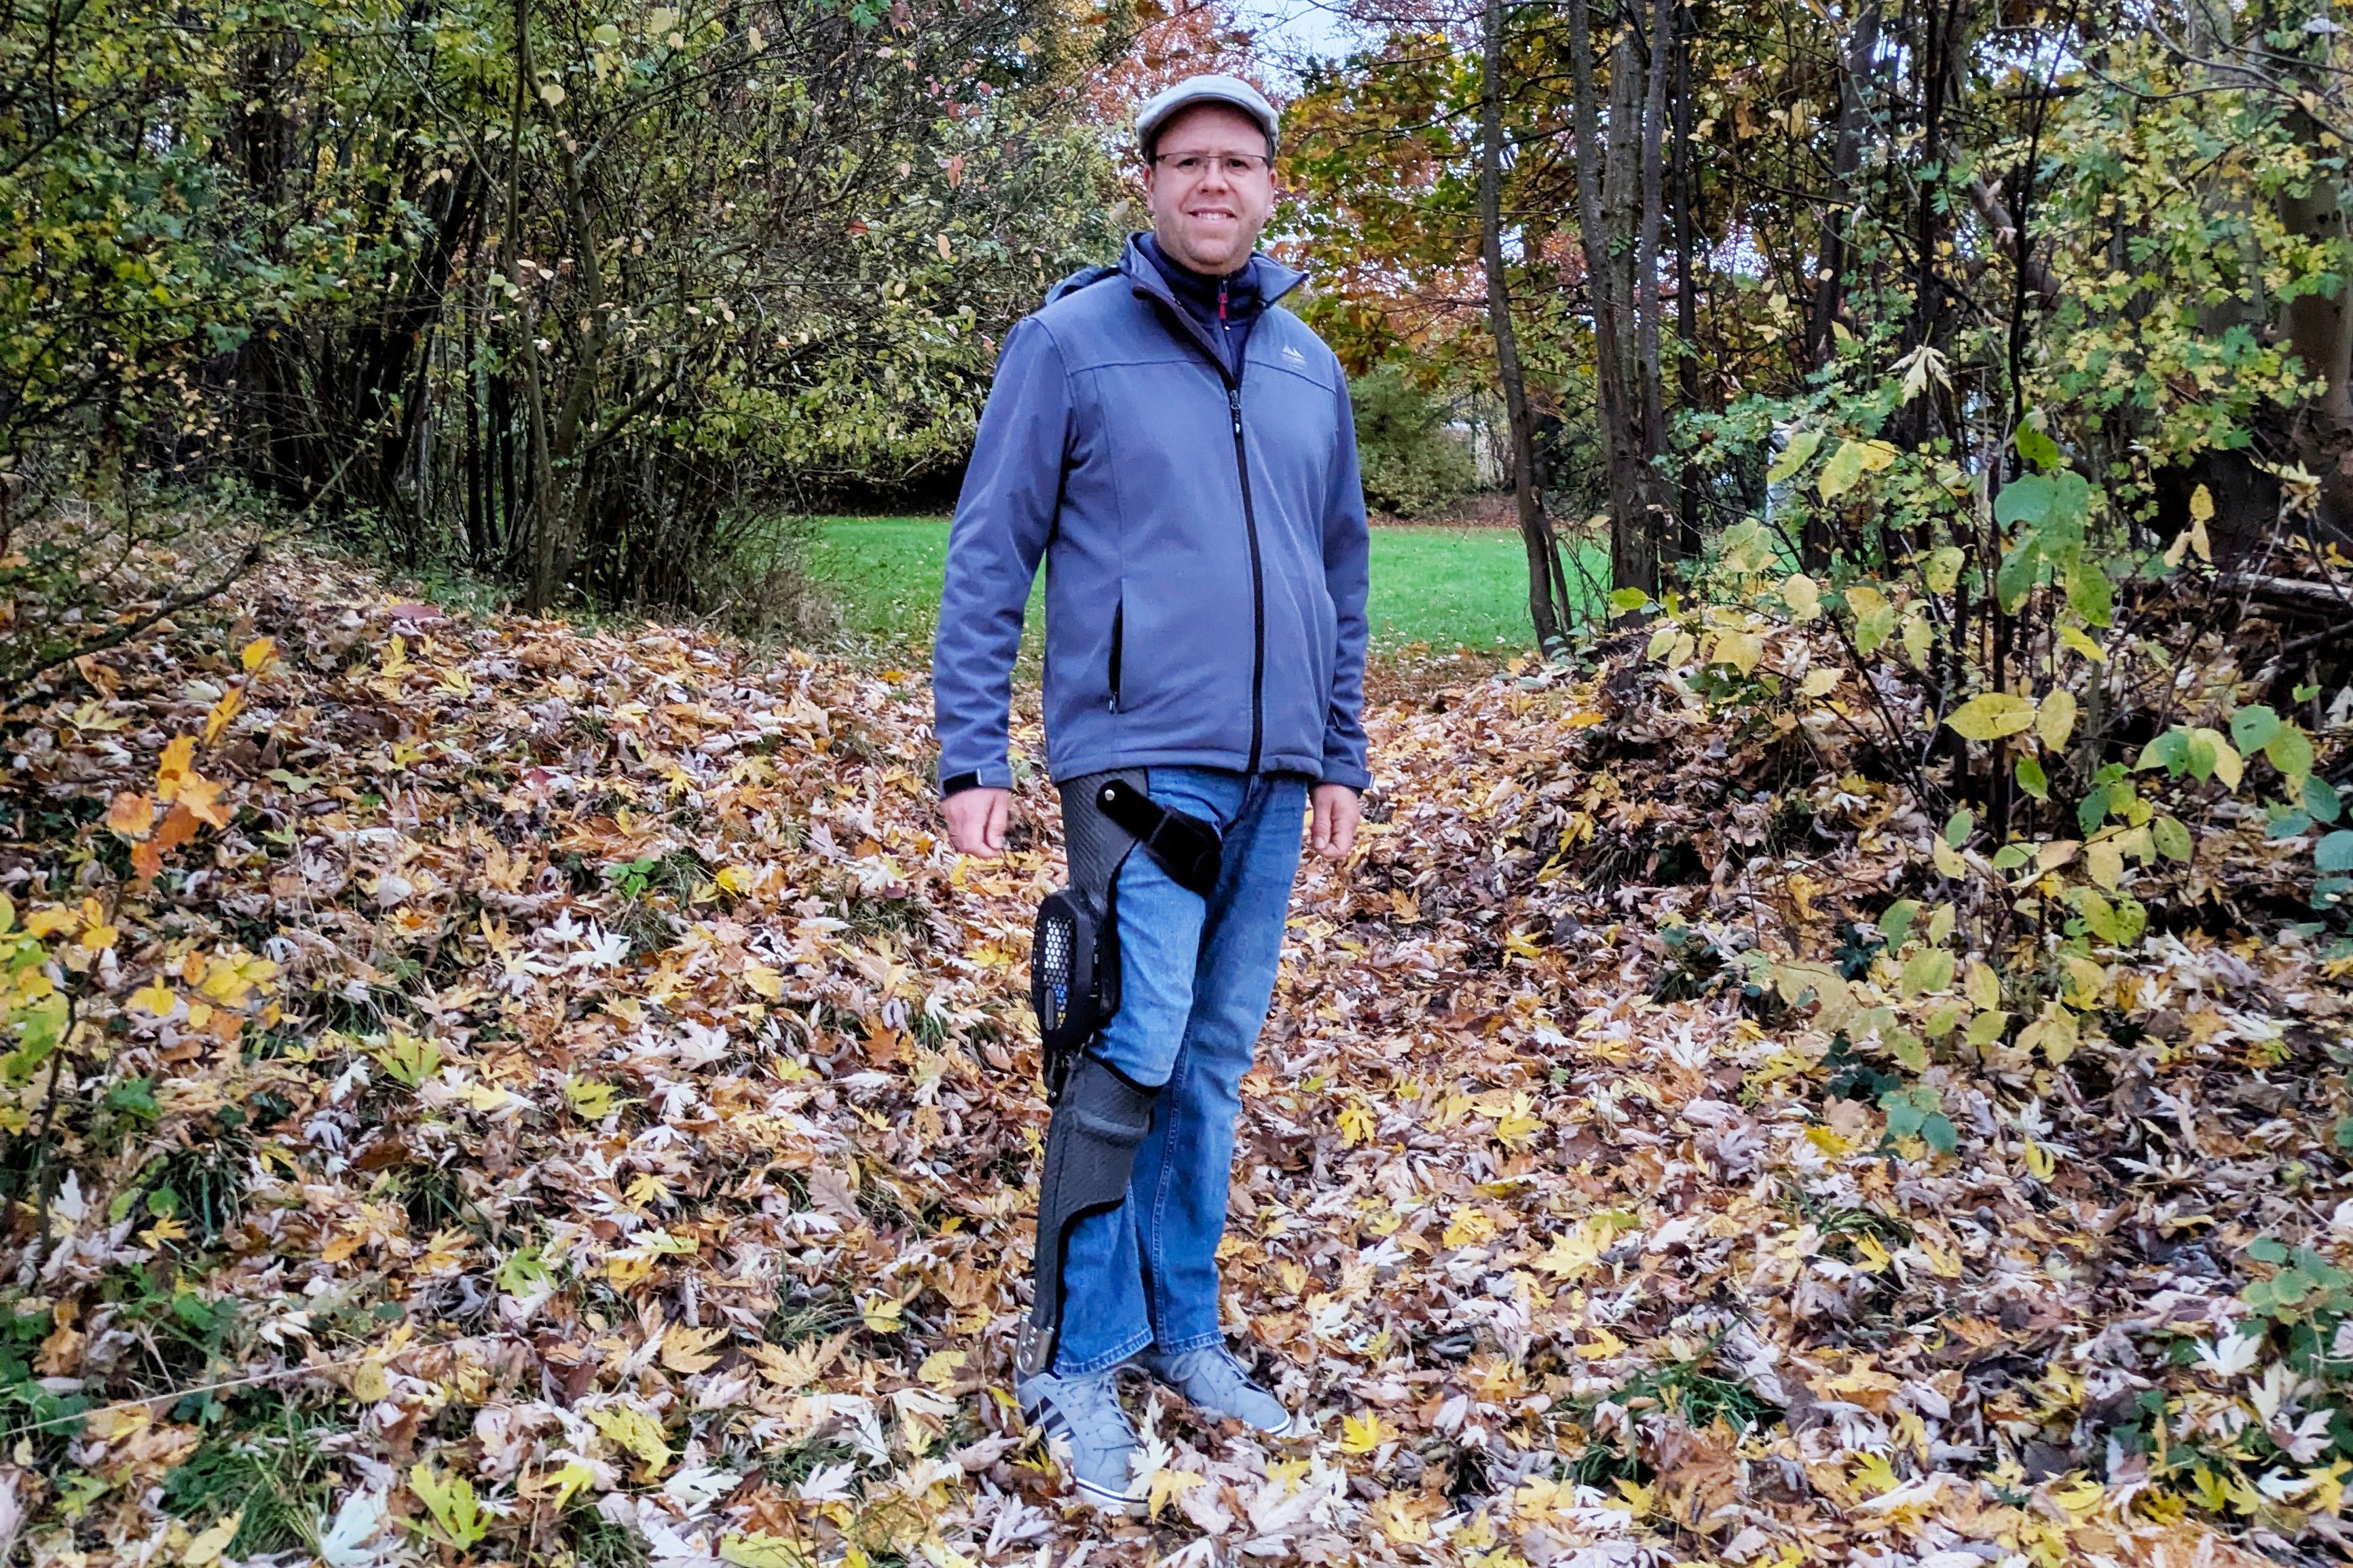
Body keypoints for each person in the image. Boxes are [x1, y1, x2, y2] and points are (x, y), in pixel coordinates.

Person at [930, 73, 1371, 1508]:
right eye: (1185, 160)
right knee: (1126, 1044)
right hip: (1135, 768)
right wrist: (968, 752)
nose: (1211, 184)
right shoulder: (1067, 344)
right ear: (1148, 183)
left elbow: (1339, 576)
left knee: (1215, 1058)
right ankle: (1078, 1352)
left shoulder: (1309, 368)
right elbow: (989, 551)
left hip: (1271, 774)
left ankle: (1186, 1328)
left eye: (1237, 162)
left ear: (1267, 186)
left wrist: (1339, 752)